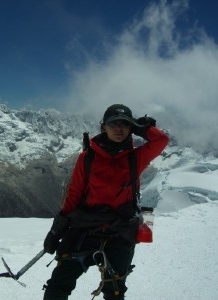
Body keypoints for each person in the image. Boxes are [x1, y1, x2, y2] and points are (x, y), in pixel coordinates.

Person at [42, 104, 169, 300]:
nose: (119, 129)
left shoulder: (136, 157)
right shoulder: (88, 158)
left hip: (116, 230)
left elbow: (161, 140)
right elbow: (74, 193)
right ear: (104, 127)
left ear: (131, 128)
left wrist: (142, 127)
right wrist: (56, 229)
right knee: (58, 284)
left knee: (114, 290)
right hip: (88, 228)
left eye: (125, 125)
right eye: (113, 124)